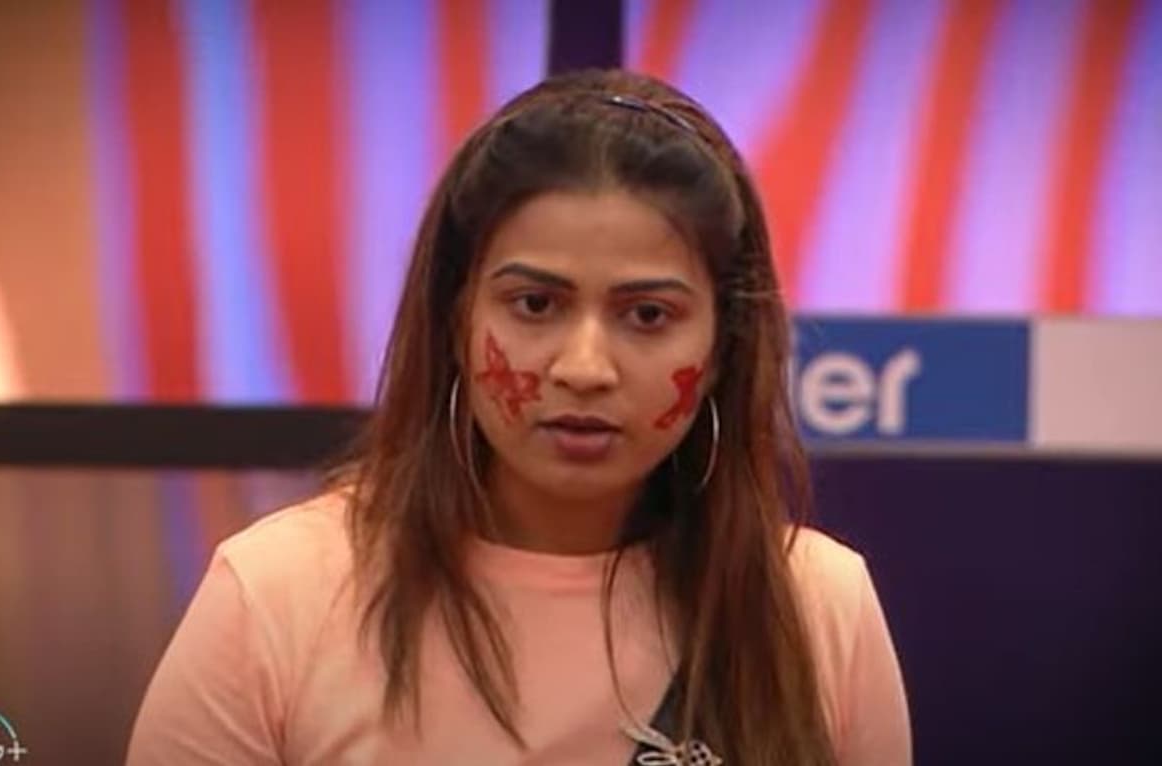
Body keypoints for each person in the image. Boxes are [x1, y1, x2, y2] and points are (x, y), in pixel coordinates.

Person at [125, 69, 911, 766]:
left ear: (720, 349)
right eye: (535, 304)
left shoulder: (815, 607)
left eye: (647, 315)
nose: (584, 368)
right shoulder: (275, 595)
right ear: (457, 319)